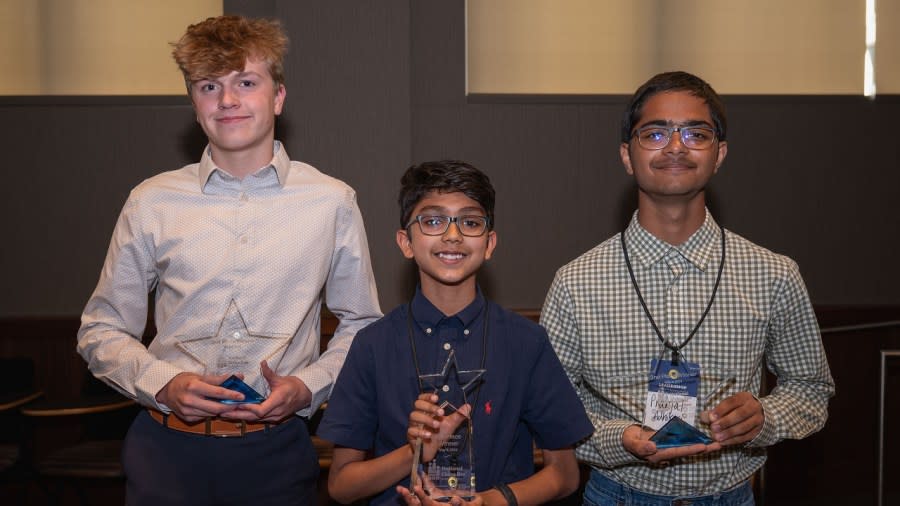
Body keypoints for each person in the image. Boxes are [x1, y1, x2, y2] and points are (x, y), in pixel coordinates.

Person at [76, 15, 381, 505]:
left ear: (278, 96)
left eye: (245, 82)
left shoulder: (332, 202)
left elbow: (362, 324)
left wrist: (308, 387)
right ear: (194, 105)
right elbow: (101, 330)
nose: (228, 100)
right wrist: (164, 382)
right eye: (208, 86)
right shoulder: (151, 201)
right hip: (164, 452)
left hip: (277, 454)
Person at [540, 71, 835, 505]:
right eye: (655, 133)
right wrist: (618, 438)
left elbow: (810, 390)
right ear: (627, 155)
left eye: (696, 133)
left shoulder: (773, 274)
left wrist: (765, 416)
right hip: (617, 495)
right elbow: (551, 413)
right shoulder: (575, 283)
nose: (676, 146)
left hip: (731, 496)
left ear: (719, 154)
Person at [317, 160, 593, 505]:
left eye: (470, 222)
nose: (452, 235)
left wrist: (491, 502)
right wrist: (414, 452)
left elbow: (565, 475)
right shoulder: (373, 344)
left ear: (489, 243)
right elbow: (342, 485)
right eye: (433, 221)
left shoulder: (526, 342)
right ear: (406, 242)